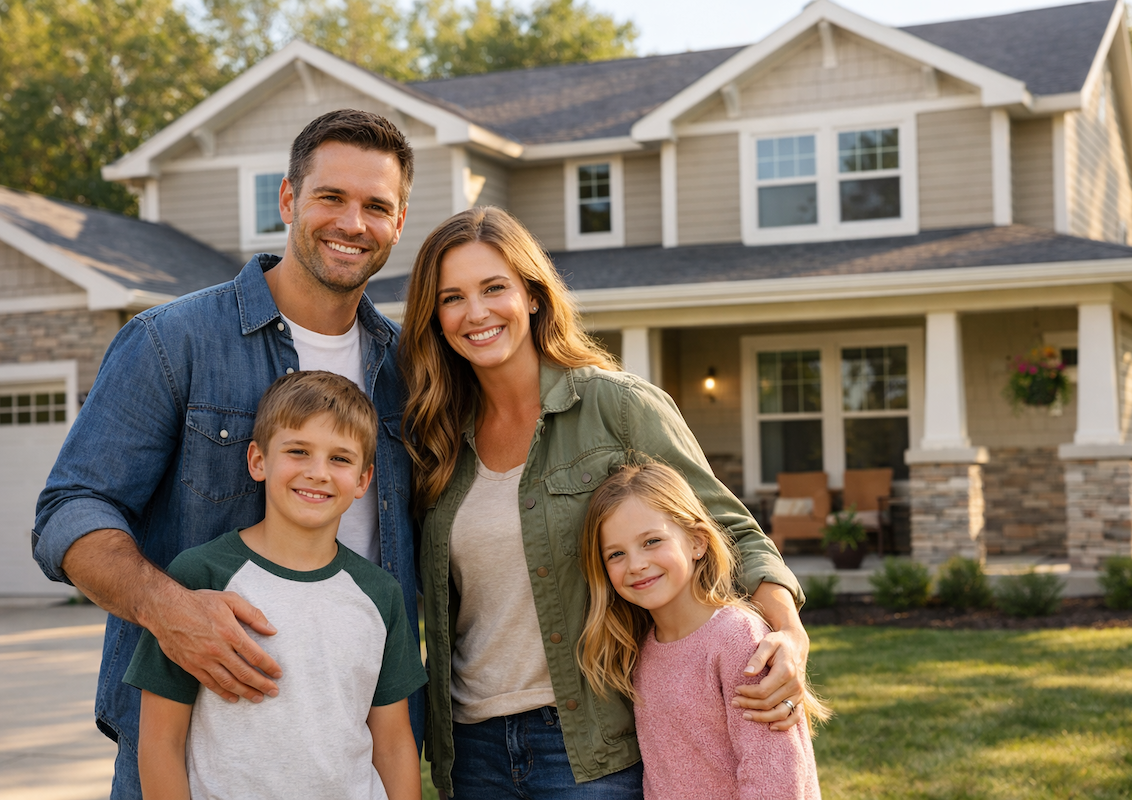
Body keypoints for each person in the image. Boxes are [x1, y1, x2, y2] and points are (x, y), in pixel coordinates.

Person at [32, 108, 422, 799]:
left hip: (346, 755)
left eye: (376, 206)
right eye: (331, 197)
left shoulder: (410, 370)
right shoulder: (170, 342)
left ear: (399, 220)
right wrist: (168, 609)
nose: (352, 223)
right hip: (191, 752)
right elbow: (69, 510)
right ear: (288, 198)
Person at [399, 206, 812, 798]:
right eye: (452, 298)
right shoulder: (436, 439)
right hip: (472, 747)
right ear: (435, 318)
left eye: (495, 288)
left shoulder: (617, 408)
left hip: (588, 742)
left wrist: (790, 634)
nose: (477, 313)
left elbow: (729, 530)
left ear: (533, 296)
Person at [125, 371, 426, 800]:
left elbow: (394, 745)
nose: (318, 472)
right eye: (298, 451)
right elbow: (160, 742)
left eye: (340, 459)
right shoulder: (201, 576)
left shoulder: (380, 594)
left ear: (363, 480)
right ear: (258, 460)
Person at [578, 461, 827, 800]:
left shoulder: (739, 640)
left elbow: (776, 776)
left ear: (697, 542)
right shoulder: (644, 650)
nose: (635, 564)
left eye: (651, 541)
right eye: (616, 554)